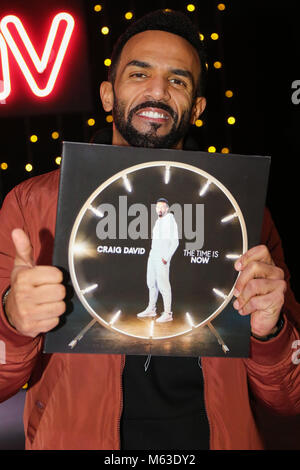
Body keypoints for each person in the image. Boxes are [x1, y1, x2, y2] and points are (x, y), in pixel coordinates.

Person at [0, 9, 300, 450]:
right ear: (108, 95)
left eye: (178, 80)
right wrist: (12, 322)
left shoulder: (243, 211)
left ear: (197, 107)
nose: (157, 90)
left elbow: (290, 400)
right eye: (139, 73)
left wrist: (271, 333)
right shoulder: (32, 205)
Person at [137, 198, 179, 323]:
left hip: (162, 257)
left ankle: (168, 313)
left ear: (167, 208)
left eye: (162, 207)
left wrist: (166, 258)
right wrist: (152, 255)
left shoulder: (170, 220)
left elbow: (175, 242)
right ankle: (151, 309)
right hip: (153, 255)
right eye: (157, 207)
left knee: (163, 285)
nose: (159, 209)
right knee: (151, 283)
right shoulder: (158, 221)